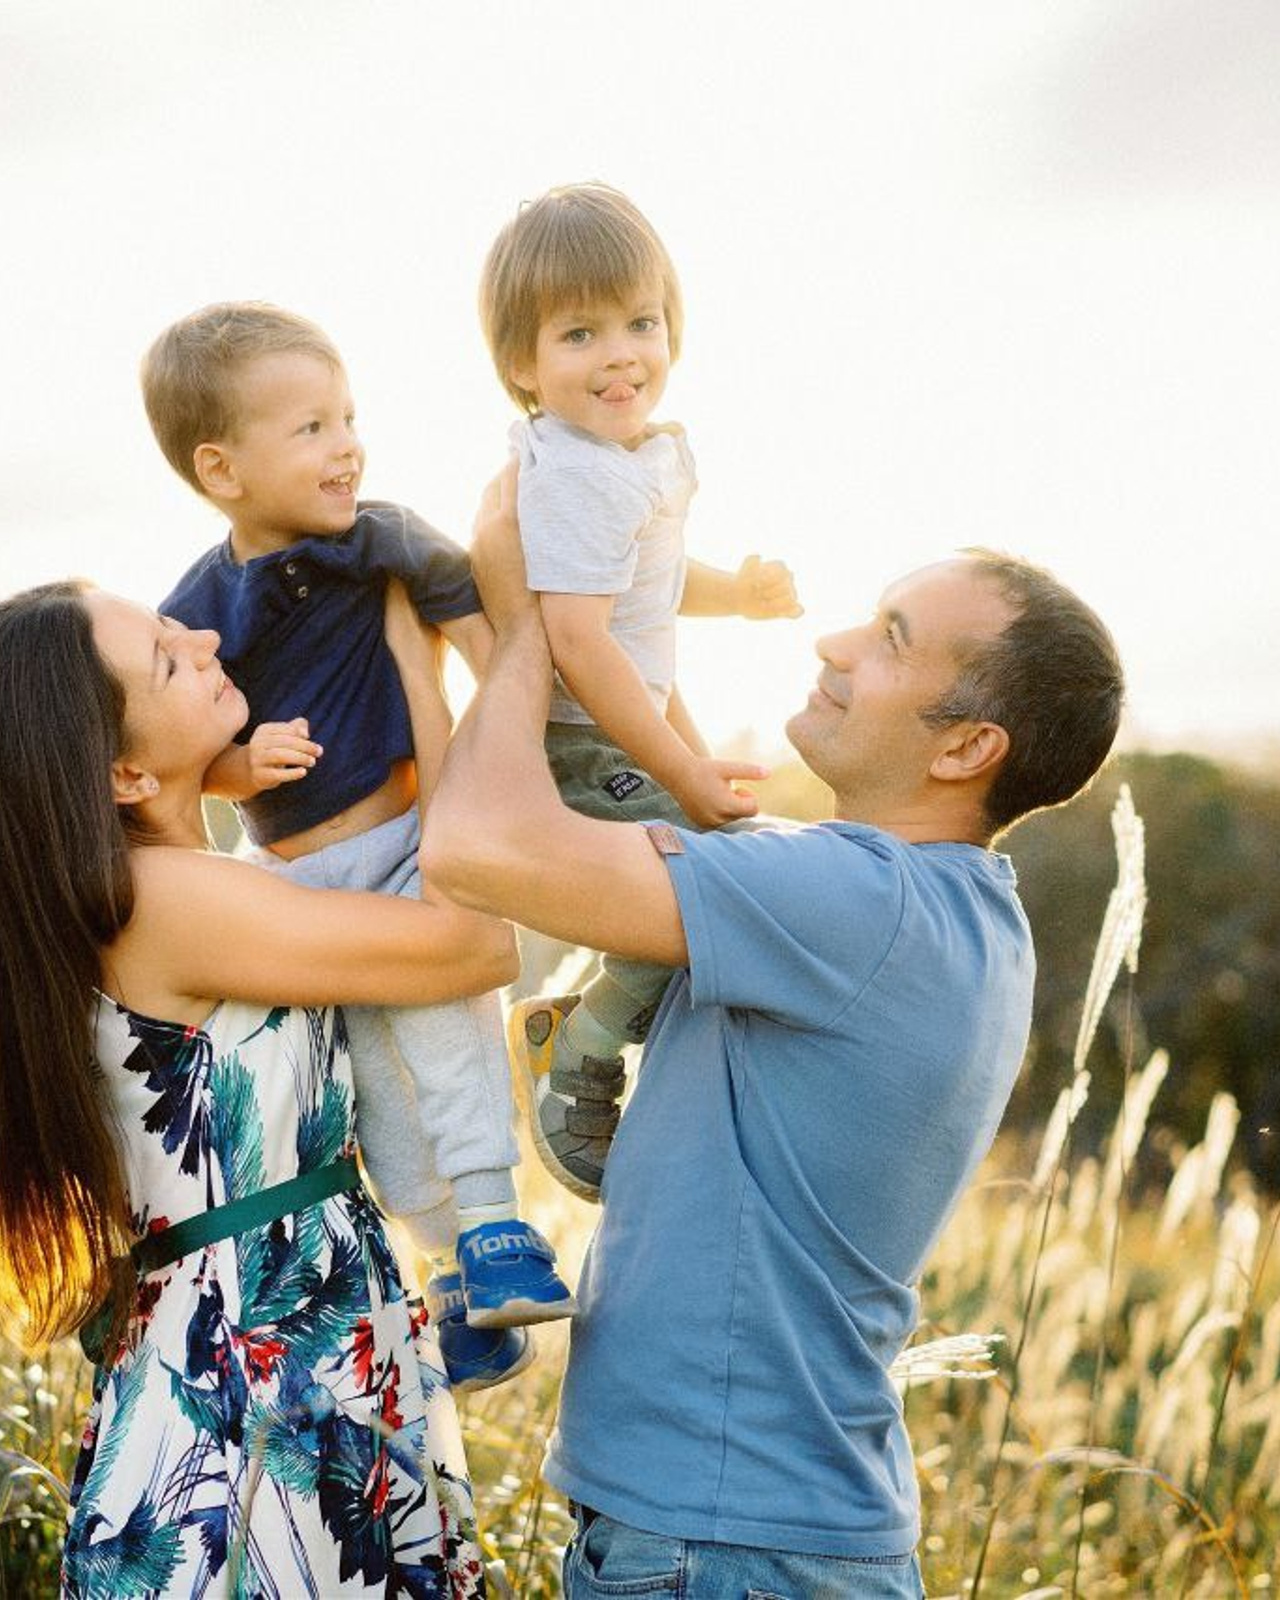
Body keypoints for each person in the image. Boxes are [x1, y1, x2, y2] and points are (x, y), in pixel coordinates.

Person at [418, 473, 1125, 1599]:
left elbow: (470, 846)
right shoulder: (944, 909)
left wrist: (524, 621)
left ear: (964, 748)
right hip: (753, 1535)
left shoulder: (852, 901)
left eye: (889, 641)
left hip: (721, 1547)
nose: (836, 643)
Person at [0, 578, 509, 1596]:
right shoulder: (171, 902)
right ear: (123, 771)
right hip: (259, 1373)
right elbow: (474, 942)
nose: (200, 635)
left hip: (270, 1339)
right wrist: (422, 674)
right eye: (164, 657)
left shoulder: (161, 884)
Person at [142, 301, 573, 1391]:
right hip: (287, 877)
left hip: (397, 846)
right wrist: (243, 767)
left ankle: (493, 1222)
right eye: (311, 429)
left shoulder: (378, 538)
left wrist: (493, 781)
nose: (346, 447)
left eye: (349, 419)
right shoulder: (196, 608)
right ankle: (453, 1275)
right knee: (371, 1082)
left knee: (443, 1034)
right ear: (221, 466)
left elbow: (489, 645)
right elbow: (188, 762)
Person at [478, 183, 803, 1202]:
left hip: (631, 717)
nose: (620, 352)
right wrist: (679, 768)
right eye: (579, 332)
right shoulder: (576, 473)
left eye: (640, 322)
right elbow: (579, 642)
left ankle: (570, 1011)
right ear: (522, 367)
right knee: (707, 881)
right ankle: (580, 1043)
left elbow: (639, 592)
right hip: (585, 738)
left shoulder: (635, 453)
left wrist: (733, 598)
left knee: (727, 861)